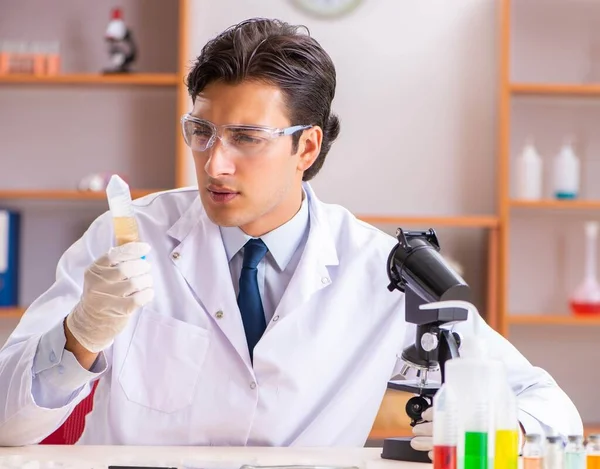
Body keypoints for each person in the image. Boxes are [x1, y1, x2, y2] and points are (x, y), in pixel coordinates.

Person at [0, 18, 582, 450]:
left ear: (307, 146)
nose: (214, 163)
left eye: (246, 137)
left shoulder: (379, 269)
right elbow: (8, 423)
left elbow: (554, 410)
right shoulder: (124, 241)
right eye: (201, 132)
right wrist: (79, 337)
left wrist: (493, 422)